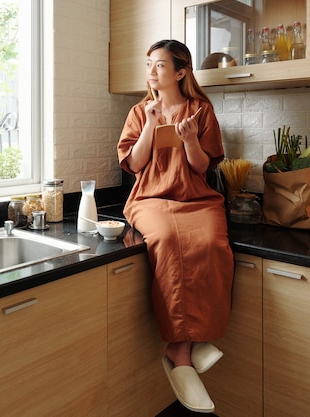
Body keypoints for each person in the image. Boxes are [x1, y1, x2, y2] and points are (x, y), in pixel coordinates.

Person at [117, 39, 234, 414]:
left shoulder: (201, 110)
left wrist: (187, 141)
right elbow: (134, 165)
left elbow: (202, 168)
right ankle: (182, 350)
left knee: (212, 244)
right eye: (149, 64)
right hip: (150, 198)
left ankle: (190, 341)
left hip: (196, 198)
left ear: (181, 72)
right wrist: (152, 124)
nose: (151, 72)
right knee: (167, 241)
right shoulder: (139, 111)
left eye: (160, 66)